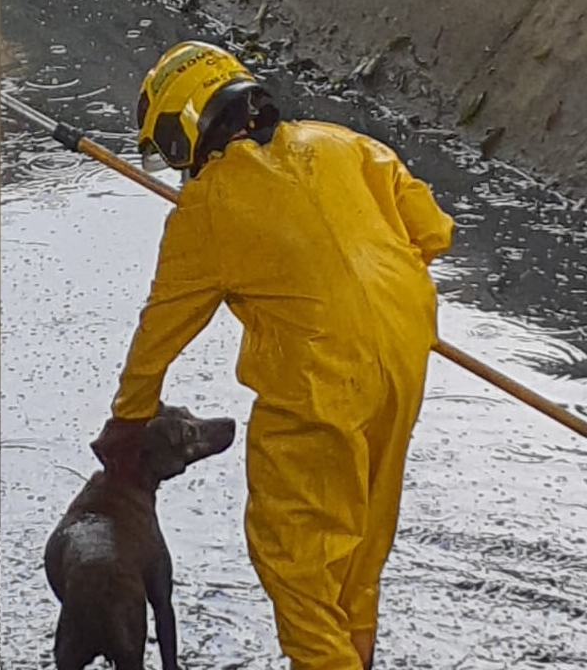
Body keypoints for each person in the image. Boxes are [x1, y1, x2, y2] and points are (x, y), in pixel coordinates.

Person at [103, 40, 454, 669]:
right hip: (404, 361)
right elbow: (433, 231)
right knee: (359, 548)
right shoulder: (344, 142)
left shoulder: (207, 208)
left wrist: (129, 417)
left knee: (297, 562)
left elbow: (161, 330)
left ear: (186, 134)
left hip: (319, 387)